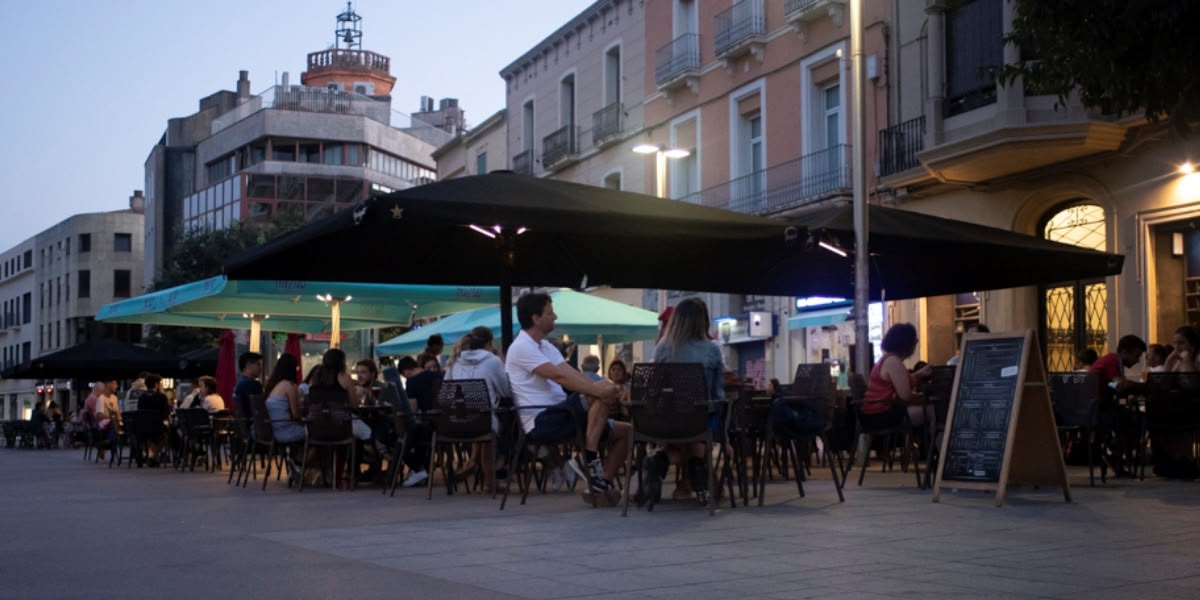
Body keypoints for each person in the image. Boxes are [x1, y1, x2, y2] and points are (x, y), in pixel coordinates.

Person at [505, 292, 629, 500]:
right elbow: (559, 376)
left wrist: (604, 387)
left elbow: (572, 373)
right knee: (596, 393)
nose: (555, 317)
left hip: (563, 414)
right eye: (550, 313)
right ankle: (589, 457)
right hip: (541, 420)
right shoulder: (521, 348)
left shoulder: (545, 346)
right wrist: (599, 391)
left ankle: (601, 482)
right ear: (536, 318)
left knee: (627, 431)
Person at [645, 297, 726, 506]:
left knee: (674, 432)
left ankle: (658, 463)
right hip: (699, 421)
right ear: (703, 321)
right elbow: (718, 393)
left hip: (666, 423)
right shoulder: (712, 350)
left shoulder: (662, 349)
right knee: (699, 432)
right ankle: (698, 473)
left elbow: (654, 390)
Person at [445, 326, 512, 484]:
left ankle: (473, 462)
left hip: (453, 423)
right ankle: (489, 481)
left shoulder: (454, 361)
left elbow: (446, 391)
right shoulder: (493, 361)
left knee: (479, 417)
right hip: (483, 422)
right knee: (489, 422)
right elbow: (506, 391)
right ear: (489, 343)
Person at [1089, 334, 1147, 477]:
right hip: (1095, 409)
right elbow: (1120, 384)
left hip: (1097, 407)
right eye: (1136, 356)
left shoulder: (1113, 362)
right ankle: (1117, 458)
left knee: (1127, 418)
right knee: (1130, 421)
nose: (1138, 360)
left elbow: (1113, 384)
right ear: (1125, 352)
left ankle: (1117, 457)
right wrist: (1143, 387)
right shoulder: (1112, 361)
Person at [861, 323, 933, 430]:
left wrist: (920, 374)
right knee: (932, 411)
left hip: (872, 415)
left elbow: (901, 381)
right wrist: (920, 396)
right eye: (915, 341)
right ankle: (934, 445)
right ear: (907, 344)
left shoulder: (887, 359)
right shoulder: (894, 362)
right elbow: (905, 396)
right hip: (881, 416)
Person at [399, 354, 442, 487]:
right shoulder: (438, 376)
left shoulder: (411, 382)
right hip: (443, 425)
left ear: (406, 372)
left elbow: (413, 410)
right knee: (416, 435)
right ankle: (419, 470)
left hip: (426, 424)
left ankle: (417, 468)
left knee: (401, 436)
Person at [263, 353, 306, 480]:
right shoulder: (288, 386)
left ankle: (297, 461)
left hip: (273, 430)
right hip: (284, 431)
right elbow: (296, 414)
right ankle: (299, 462)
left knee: (307, 432)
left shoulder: (273, 386)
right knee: (317, 434)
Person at [136, 374, 171, 467]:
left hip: (142, 428)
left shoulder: (141, 397)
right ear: (156, 384)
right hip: (158, 428)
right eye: (160, 383)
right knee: (168, 434)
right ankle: (153, 455)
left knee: (148, 437)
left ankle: (149, 454)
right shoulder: (161, 397)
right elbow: (166, 414)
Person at [232, 351, 264, 420]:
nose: (261, 368)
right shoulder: (253, 384)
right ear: (248, 365)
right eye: (258, 364)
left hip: (245, 425)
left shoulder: (240, 384)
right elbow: (261, 408)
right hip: (255, 426)